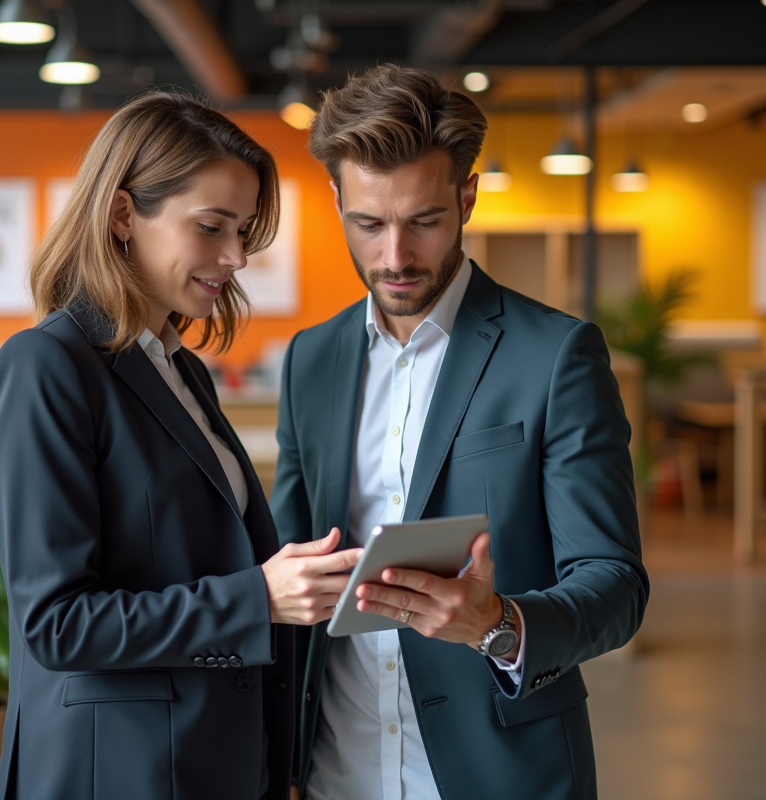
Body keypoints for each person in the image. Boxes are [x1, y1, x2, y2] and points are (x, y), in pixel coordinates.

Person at [270, 65, 650, 800]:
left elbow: (615, 585)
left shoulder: (556, 356)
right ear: (337, 200)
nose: (394, 258)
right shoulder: (309, 359)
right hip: (333, 772)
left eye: (424, 221)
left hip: (500, 772)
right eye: (369, 224)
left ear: (467, 197)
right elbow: (293, 564)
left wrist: (500, 623)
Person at [0, 92, 362, 800]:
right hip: (118, 773)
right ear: (123, 215)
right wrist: (259, 597)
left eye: (243, 231)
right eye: (212, 227)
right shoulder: (45, 366)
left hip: (210, 761)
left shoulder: (179, 368)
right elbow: (58, 626)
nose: (237, 256)